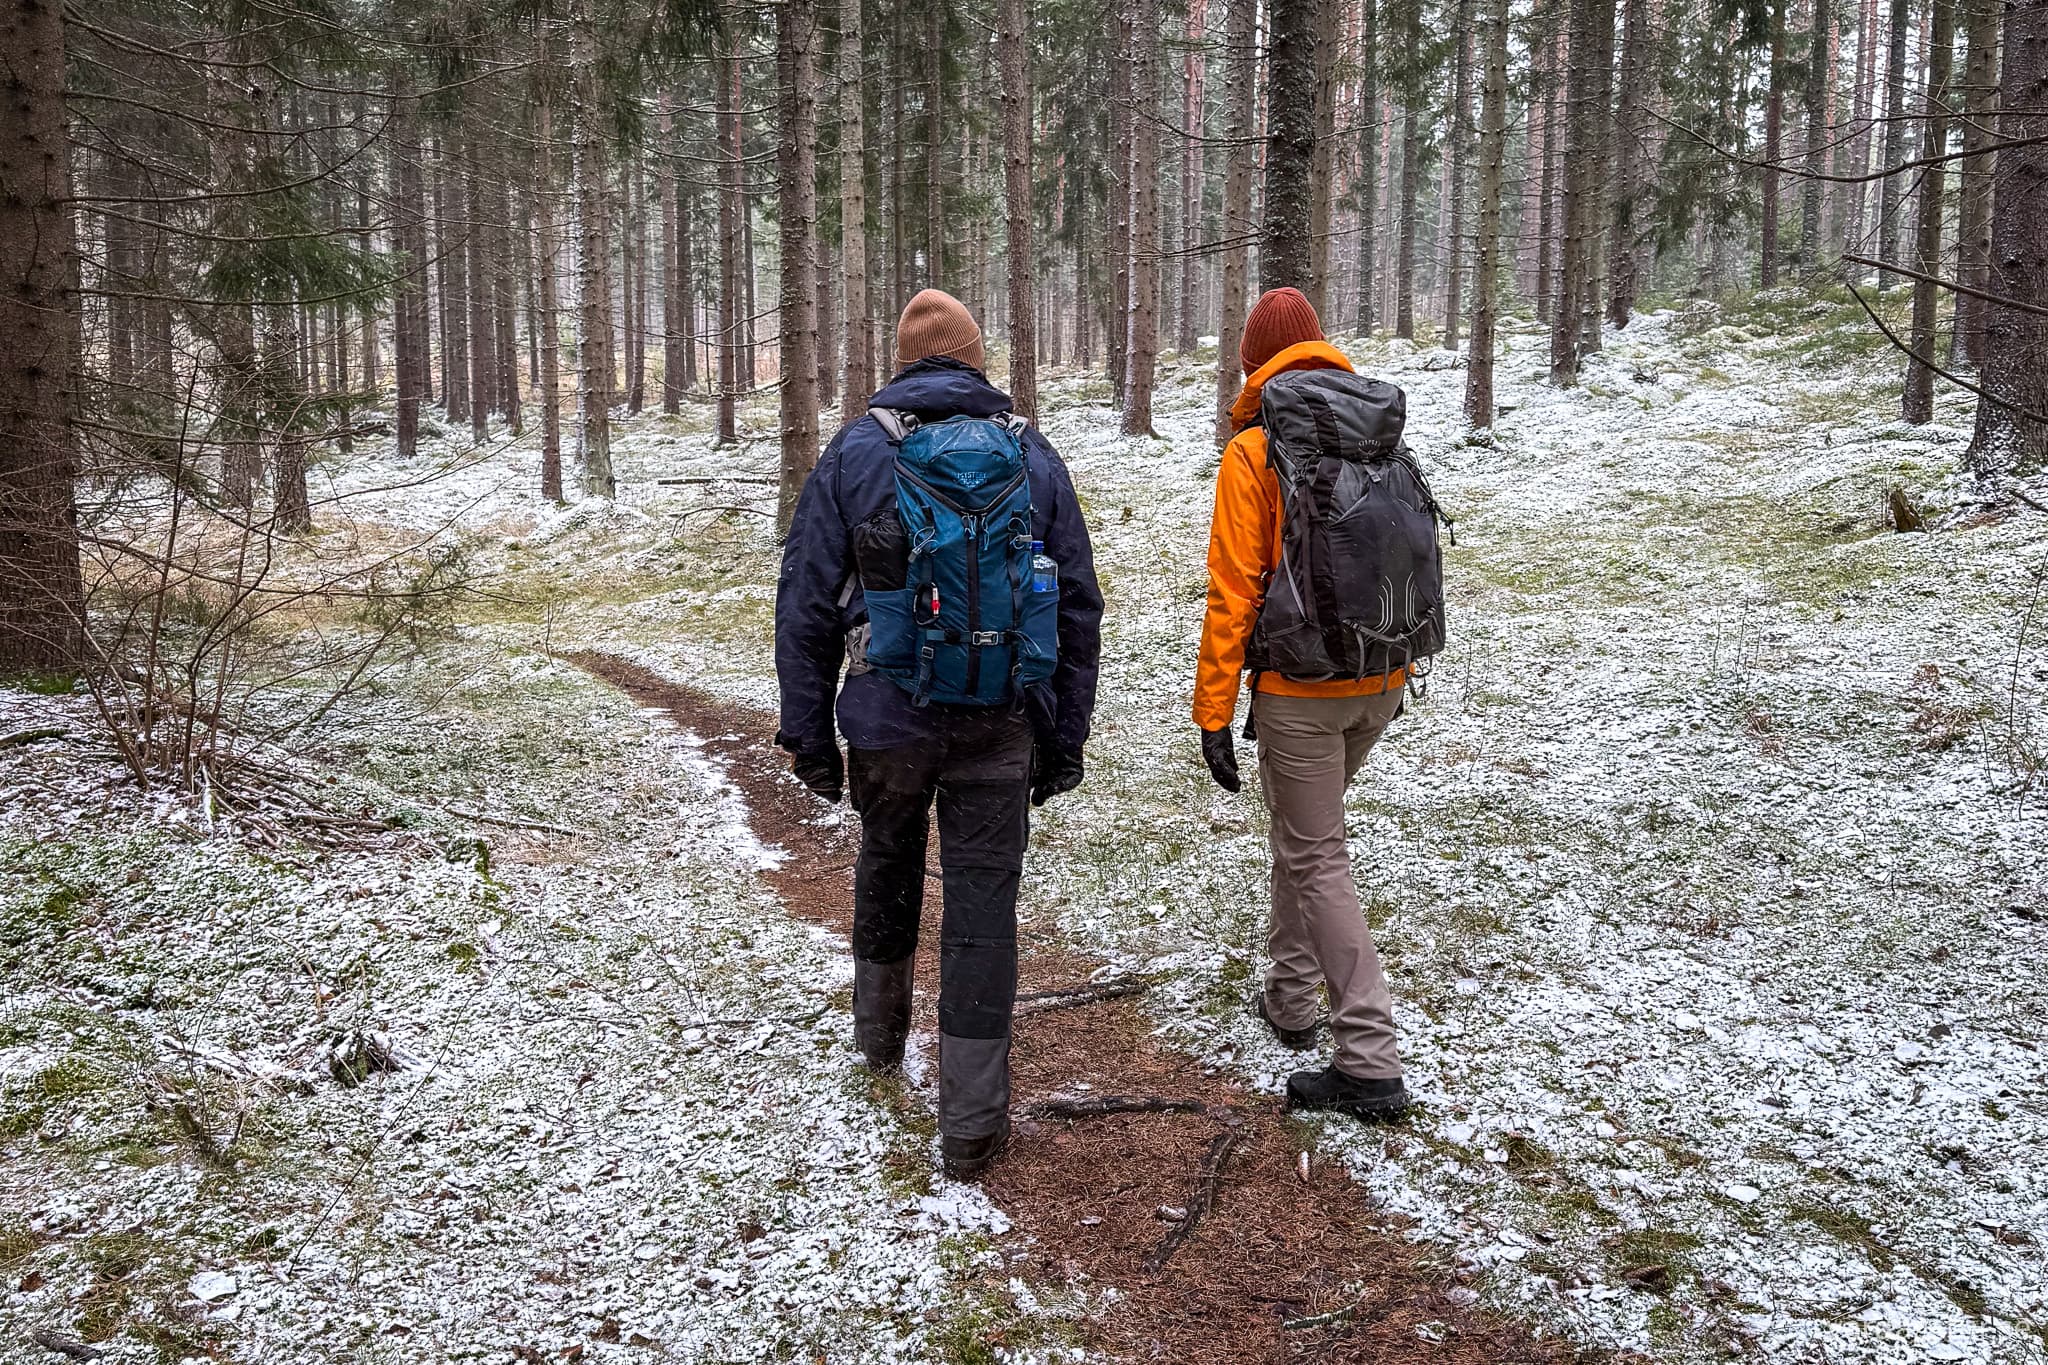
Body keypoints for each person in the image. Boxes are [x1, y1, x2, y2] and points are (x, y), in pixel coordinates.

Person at [775, 288, 1103, 1180]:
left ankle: (879, 1041)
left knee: (887, 861)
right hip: (1001, 723)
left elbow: (805, 602)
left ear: (905, 359)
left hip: (886, 721)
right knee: (984, 912)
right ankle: (970, 1124)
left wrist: (807, 734)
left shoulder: (854, 453)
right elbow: (1076, 603)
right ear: (975, 359)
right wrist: (1064, 735)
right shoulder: (1031, 455)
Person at [1195, 286, 1418, 1123]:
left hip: (1301, 692)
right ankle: (1290, 998)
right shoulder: (1375, 432)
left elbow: (1232, 593)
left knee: (1318, 855)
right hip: (1381, 679)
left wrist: (1213, 711)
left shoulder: (1255, 450)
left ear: (1254, 362)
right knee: (1305, 834)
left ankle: (1368, 1055)